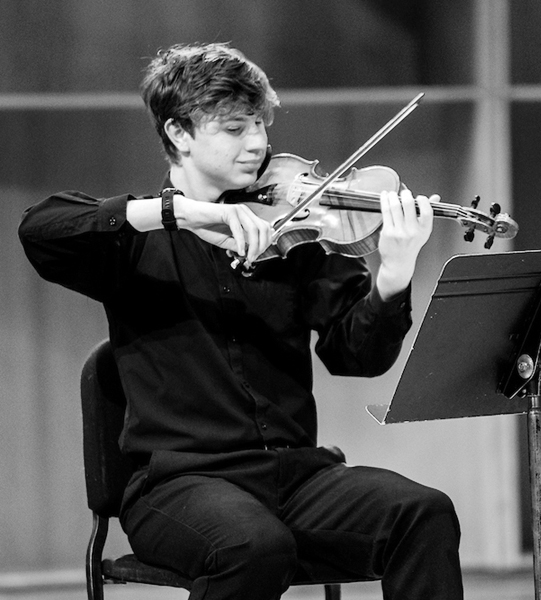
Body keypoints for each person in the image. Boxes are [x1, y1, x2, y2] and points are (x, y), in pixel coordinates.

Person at [19, 42, 463, 600]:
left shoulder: (296, 236)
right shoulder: (134, 246)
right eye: (234, 127)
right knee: (253, 545)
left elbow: (356, 357)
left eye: (259, 123)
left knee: (422, 513)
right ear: (179, 133)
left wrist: (395, 274)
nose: (257, 142)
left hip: (297, 479)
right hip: (180, 485)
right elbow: (42, 227)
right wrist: (176, 212)